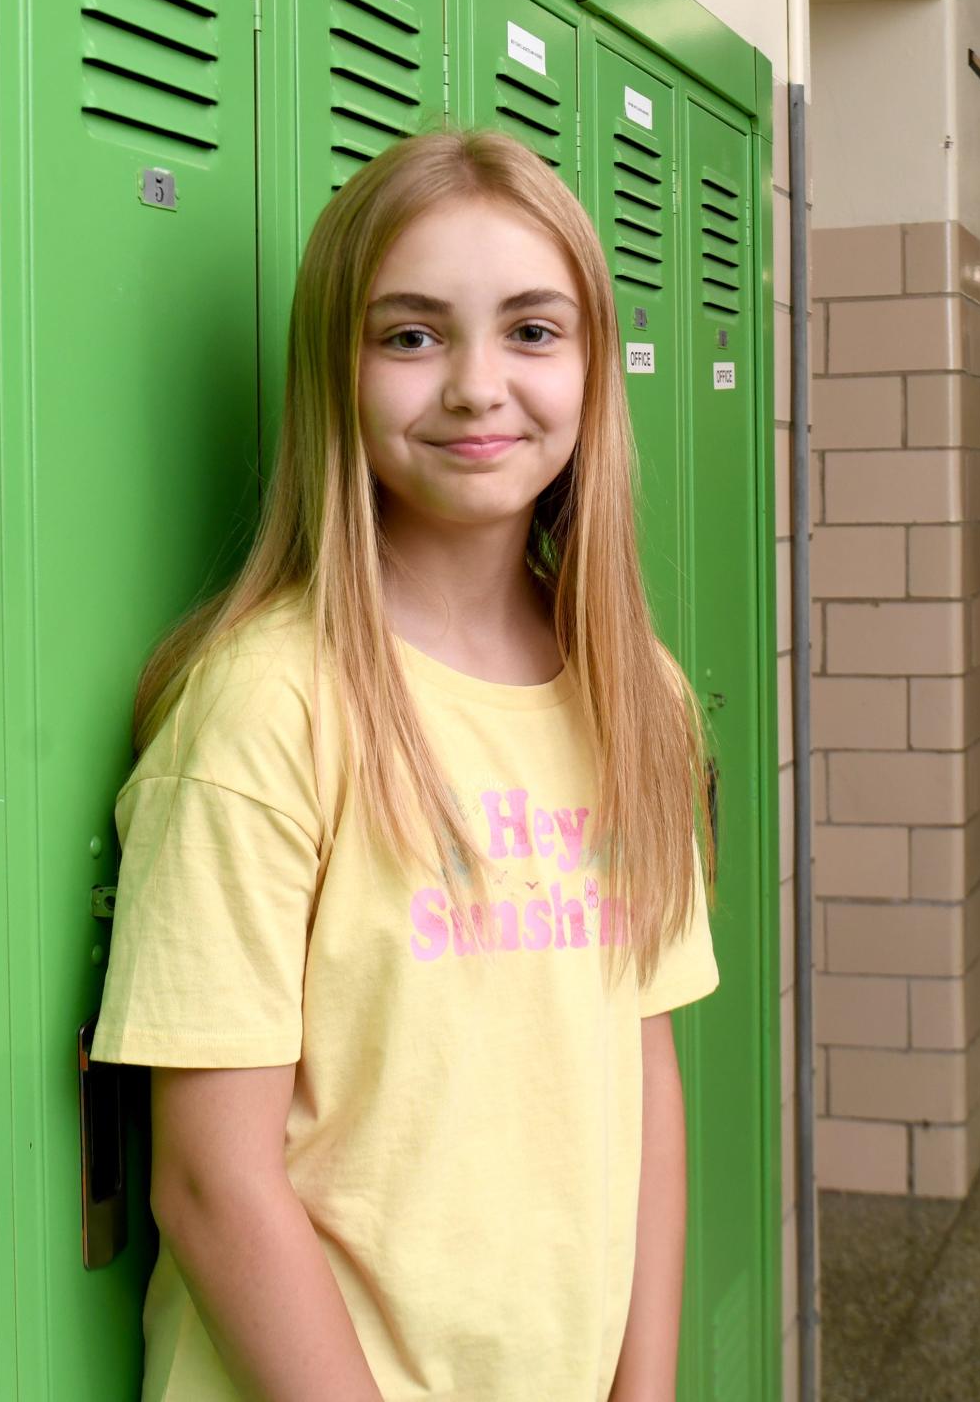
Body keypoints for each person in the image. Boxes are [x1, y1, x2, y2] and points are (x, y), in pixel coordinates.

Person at [90, 126, 720, 1402]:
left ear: (596, 367)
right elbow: (212, 1183)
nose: (479, 386)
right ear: (337, 369)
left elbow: (640, 1072)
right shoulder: (268, 707)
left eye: (533, 332)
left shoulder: (636, 690)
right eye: (412, 334)